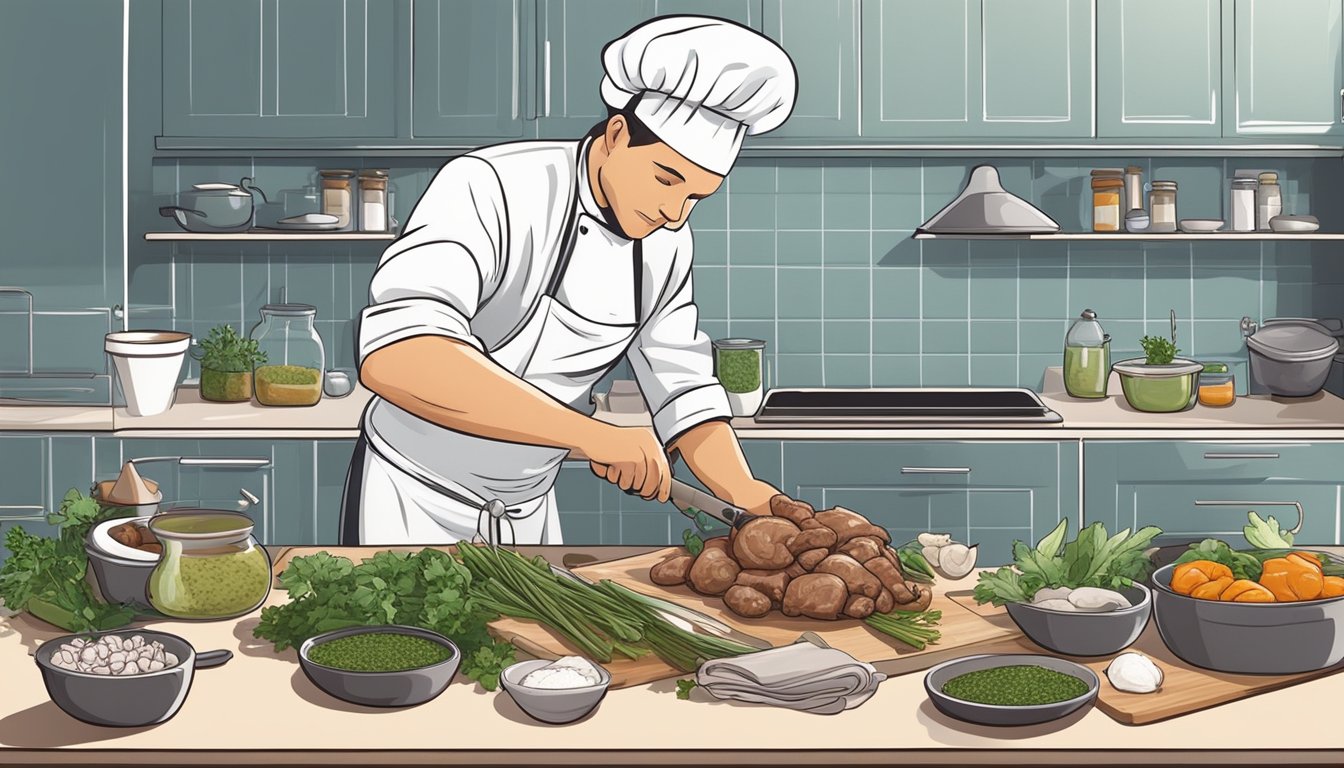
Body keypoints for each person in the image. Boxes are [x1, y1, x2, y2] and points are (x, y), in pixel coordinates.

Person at [341, 15, 798, 545]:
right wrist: (590, 437)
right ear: (617, 134)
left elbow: (682, 385)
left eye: (696, 196)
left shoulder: (668, 242)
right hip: (410, 493)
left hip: (529, 506)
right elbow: (402, 353)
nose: (674, 212)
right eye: (665, 179)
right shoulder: (492, 185)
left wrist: (747, 493)